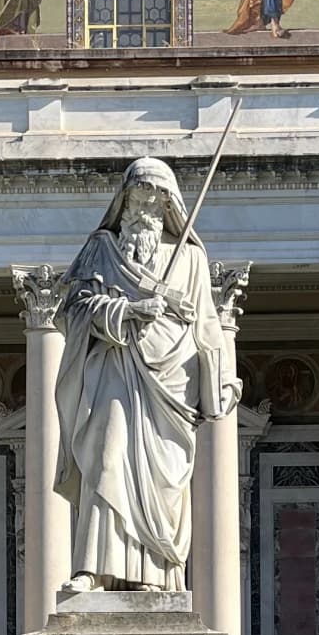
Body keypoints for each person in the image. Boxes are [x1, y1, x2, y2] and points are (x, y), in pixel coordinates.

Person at [55, 158, 238, 590]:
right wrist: (129, 310)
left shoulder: (190, 258)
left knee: (162, 481)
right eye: (139, 193)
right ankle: (93, 570)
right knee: (107, 459)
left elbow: (208, 325)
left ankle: (152, 574)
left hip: (171, 379)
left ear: (169, 204)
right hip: (116, 367)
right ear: (125, 199)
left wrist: (222, 377)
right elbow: (72, 310)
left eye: (156, 196)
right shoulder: (102, 250)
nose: (147, 204)